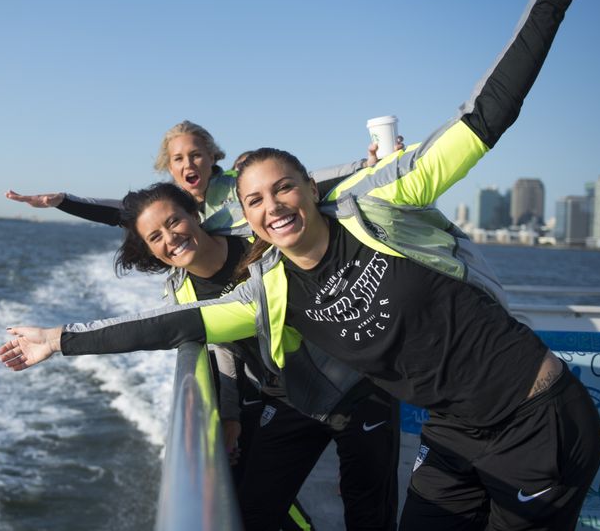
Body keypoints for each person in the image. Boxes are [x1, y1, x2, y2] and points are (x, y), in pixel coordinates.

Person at [0, 0, 600, 529]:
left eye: (284, 187)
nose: (273, 206)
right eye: (255, 199)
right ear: (246, 215)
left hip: (536, 417)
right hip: (453, 435)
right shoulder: (272, 288)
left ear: (310, 189)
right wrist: (60, 337)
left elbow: (483, 118)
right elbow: (173, 323)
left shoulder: (376, 206)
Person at [116, 182, 399, 530]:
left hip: (355, 380)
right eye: (155, 236)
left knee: (367, 509)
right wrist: (230, 416)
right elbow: (220, 350)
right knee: (254, 510)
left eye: (174, 221)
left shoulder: (258, 243)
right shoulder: (182, 292)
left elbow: (314, 197)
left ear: (194, 214)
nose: (170, 237)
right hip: (289, 395)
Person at [4, 119, 383, 235]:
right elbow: (121, 210)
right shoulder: (170, 204)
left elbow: (303, 180)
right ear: (169, 167)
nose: (190, 164)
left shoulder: (237, 183)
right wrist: (62, 201)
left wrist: (364, 166)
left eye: (197, 155)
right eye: (179, 158)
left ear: (211, 157)